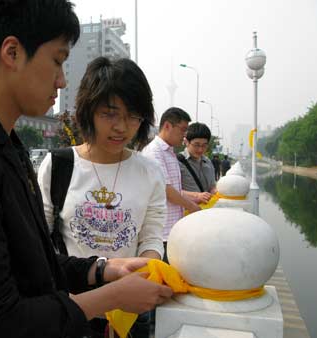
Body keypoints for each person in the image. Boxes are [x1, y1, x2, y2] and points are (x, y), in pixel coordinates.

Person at [0, 1, 172, 337]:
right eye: (58, 60)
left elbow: (35, 265)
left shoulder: (3, 146)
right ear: (13, 52)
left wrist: (104, 269)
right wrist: (112, 296)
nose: (62, 81)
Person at [38, 56, 166, 337]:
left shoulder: (151, 172)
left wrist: (142, 273)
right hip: (71, 305)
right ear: (88, 111)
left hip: (129, 308)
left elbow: (152, 237)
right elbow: (40, 240)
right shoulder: (58, 165)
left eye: (133, 116)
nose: (121, 127)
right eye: (110, 113)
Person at [142, 107, 200, 261]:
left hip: (172, 229)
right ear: (167, 126)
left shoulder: (169, 152)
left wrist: (194, 198)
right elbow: (166, 190)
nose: (184, 135)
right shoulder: (154, 152)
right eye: (182, 129)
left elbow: (175, 189)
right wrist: (192, 206)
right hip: (161, 234)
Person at [178, 122, 217, 202]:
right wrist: (197, 196)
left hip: (206, 211)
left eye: (204, 145)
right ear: (186, 142)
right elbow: (170, 192)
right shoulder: (177, 162)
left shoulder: (208, 162)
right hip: (186, 212)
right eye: (196, 145)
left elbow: (212, 187)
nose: (200, 149)